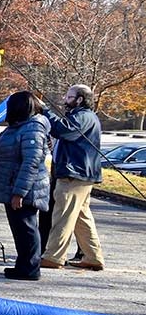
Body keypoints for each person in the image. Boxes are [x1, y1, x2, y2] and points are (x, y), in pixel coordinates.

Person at [0, 92, 51, 280]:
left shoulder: (33, 128)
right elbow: (3, 148)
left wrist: (19, 193)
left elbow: (31, 162)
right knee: (21, 229)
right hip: (16, 186)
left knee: (27, 229)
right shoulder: (19, 127)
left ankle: (30, 268)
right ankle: (24, 266)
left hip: (27, 189)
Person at [41, 84, 106, 271]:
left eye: (69, 96)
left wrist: (45, 111)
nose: (64, 99)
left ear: (79, 99)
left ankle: (53, 257)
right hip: (81, 174)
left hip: (74, 175)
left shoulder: (83, 116)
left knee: (62, 216)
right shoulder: (82, 116)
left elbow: (64, 131)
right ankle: (93, 257)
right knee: (81, 218)